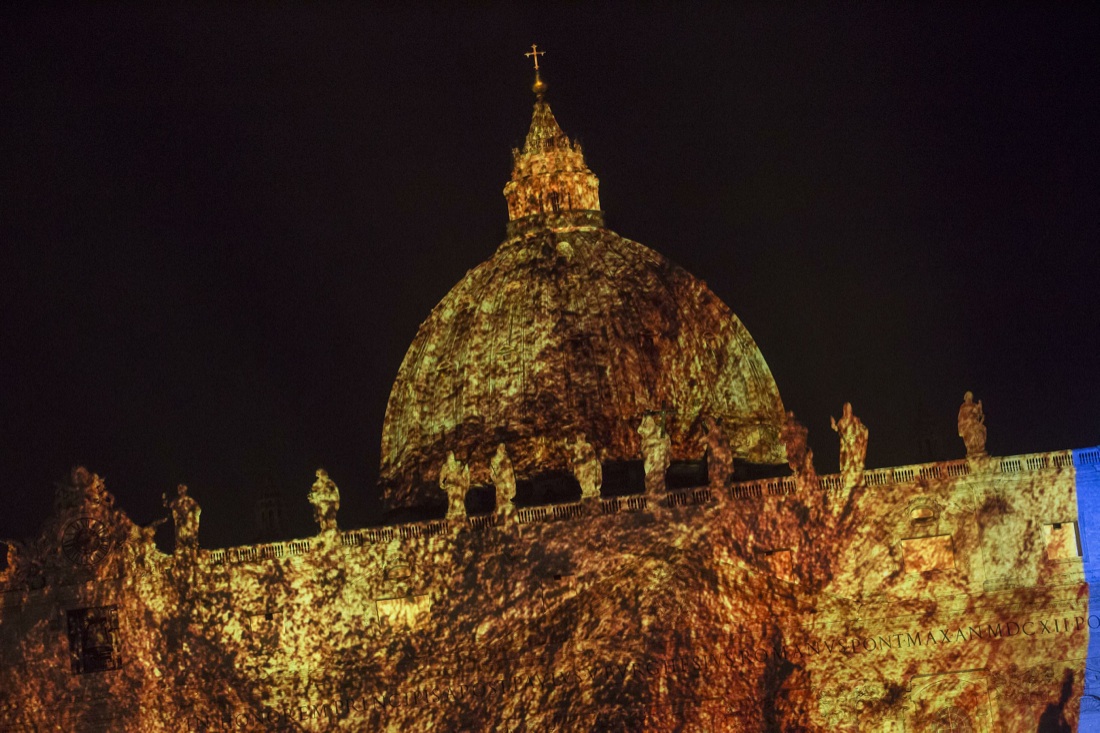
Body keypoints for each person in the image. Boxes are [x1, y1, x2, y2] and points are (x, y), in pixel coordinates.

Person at [830, 403, 868, 490]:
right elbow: (838, 429)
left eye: (849, 408)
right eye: (846, 409)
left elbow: (861, 429)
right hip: (846, 445)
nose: (848, 410)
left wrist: (863, 433)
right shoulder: (842, 421)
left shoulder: (855, 420)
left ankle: (856, 476)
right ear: (844, 410)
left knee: (855, 460)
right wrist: (834, 426)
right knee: (847, 460)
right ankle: (849, 476)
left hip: (854, 444)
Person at [638, 414, 671, 495]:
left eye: (650, 422)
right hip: (650, 454)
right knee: (650, 475)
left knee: (658, 477)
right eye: (647, 423)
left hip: (658, 454)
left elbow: (666, 442)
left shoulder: (660, 432)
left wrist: (662, 445)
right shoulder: (645, 434)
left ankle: (658, 493)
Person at [163, 484, 200, 552]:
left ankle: (191, 549)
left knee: (189, 539)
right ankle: (180, 550)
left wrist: (190, 515)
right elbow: (168, 507)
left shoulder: (189, 500)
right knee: (180, 539)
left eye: (182, 489)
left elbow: (197, 509)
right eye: (179, 489)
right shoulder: (175, 501)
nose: (180, 491)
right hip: (179, 523)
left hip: (188, 524)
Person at [439, 452, 470, 520]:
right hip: (450, 486)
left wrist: (466, 470)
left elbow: (463, 470)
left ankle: (461, 512)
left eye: (452, 458)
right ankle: (452, 513)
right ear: (447, 459)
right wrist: (443, 485)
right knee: (452, 497)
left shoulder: (458, 464)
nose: (451, 460)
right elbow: (441, 479)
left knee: (459, 495)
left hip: (458, 485)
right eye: (449, 458)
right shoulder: (445, 467)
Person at [957, 391, 987, 456]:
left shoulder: (974, 405)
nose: (970, 398)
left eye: (971, 397)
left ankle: (980, 448)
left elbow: (980, 414)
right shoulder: (963, 406)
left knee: (983, 429)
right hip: (966, 423)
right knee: (972, 430)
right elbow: (960, 417)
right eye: (968, 397)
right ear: (965, 398)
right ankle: (972, 448)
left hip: (974, 422)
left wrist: (980, 407)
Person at [490, 443, 517, 515]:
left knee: (507, 492)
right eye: (501, 448)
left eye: (503, 448)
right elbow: (492, 471)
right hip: (499, 480)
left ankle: (507, 504)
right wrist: (495, 479)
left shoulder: (506, 458)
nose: (502, 449)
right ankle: (501, 507)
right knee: (500, 493)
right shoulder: (494, 459)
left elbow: (510, 469)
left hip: (507, 479)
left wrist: (511, 480)